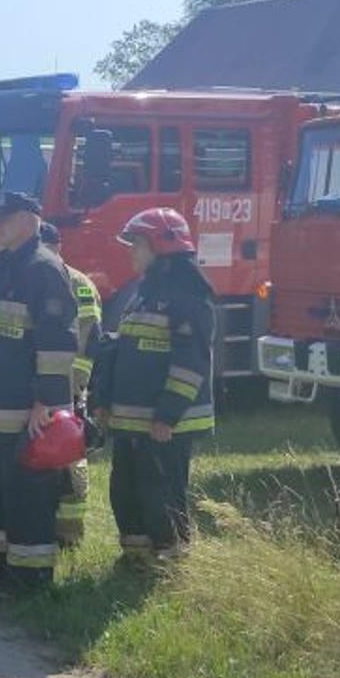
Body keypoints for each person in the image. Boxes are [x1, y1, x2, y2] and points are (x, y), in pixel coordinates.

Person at [0, 192, 80, 590]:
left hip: (26, 409)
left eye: (6, 220)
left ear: (30, 221)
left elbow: (56, 344)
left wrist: (45, 403)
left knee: (26, 494)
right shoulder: (4, 267)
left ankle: (29, 576)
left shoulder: (43, 269)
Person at [91, 208, 216, 563]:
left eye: (138, 244)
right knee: (126, 492)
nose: (131, 251)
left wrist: (167, 416)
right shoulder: (143, 294)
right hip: (133, 421)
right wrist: (103, 399)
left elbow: (190, 365)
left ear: (162, 247)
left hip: (163, 425)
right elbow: (119, 351)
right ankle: (136, 556)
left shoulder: (188, 298)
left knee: (161, 492)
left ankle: (171, 558)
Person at [41, 222, 100, 547]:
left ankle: (70, 533)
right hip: (43, 387)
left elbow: (89, 339)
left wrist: (75, 387)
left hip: (68, 390)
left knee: (70, 460)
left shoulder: (78, 283)